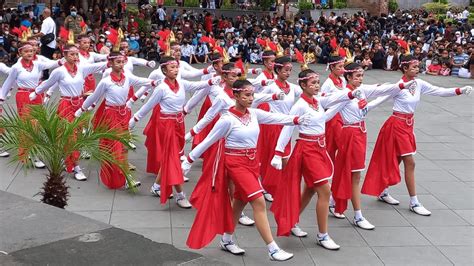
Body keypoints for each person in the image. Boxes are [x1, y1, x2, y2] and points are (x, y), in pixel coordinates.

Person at [181, 79, 311, 260]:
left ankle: (226, 239)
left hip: (252, 163)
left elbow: (275, 118)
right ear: (236, 96)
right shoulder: (227, 120)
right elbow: (208, 141)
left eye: (252, 95)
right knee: (259, 201)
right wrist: (188, 160)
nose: (251, 98)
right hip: (235, 164)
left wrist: (295, 119)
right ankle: (273, 249)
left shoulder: (254, 114)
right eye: (247, 95)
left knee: (240, 201)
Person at [361, 55, 472, 216]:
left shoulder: (419, 83)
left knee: (397, 159)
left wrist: (459, 90)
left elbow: (439, 91)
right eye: (413, 67)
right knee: (410, 162)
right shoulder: (398, 86)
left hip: (407, 125)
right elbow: (380, 98)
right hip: (396, 125)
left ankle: (383, 191)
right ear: (405, 69)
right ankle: (414, 202)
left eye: (417, 66)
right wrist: (365, 109)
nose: (417, 69)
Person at [270, 68, 357, 247]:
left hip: (319, 147)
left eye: (318, 82)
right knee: (325, 191)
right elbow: (287, 127)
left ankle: (292, 220)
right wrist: (278, 153)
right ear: (303, 85)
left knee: (310, 190)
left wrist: (348, 97)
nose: (317, 86)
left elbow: (326, 114)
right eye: (313, 83)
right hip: (307, 150)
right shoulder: (300, 105)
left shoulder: (317, 101)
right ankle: (323, 235)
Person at [330, 62, 414, 229]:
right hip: (350, 135)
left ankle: (335, 200)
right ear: (348, 77)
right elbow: (327, 111)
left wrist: (400, 86)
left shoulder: (361, 91)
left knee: (353, 173)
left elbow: (378, 92)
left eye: (362, 76)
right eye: (357, 76)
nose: (361, 79)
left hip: (360, 134)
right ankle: (357, 215)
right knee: (353, 174)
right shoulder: (343, 94)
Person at [129, 56, 221, 208]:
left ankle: (157, 186)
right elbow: (148, 106)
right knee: (172, 158)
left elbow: (196, 85)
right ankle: (179, 194)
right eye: (172, 68)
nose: (176, 70)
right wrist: (134, 120)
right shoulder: (161, 88)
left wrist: (211, 81)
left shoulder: (182, 83)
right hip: (166, 125)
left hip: (179, 123)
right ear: (164, 70)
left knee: (171, 157)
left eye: (177, 67)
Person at [74, 51, 158, 189]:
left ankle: (122, 176)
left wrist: (155, 82)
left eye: (122, 61)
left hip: (123, 114)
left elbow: (142, 81)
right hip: (111, 115)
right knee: (116, 147)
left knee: (123, 146)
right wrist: (80, 110)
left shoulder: (127, 78)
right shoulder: (106, 81)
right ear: (111, 63)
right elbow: (94, 97)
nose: (121, 64)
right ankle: (125, 177)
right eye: (117, 62)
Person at [30, 44, 108, 181]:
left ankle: (65, 158)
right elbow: (47, 83)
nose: (75, 57)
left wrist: (112, 59)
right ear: (64, 55)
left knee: (76, 135)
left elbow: (100, 66)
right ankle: (76, 166)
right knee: (70, 136)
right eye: (72, 54)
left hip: (79, 105)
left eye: (77, 54)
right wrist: (36, 92)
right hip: (66, 105)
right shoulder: (59, 71)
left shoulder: (82, 69)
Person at [0, 42, 62, 168]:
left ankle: (32, 150)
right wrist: (1, 98)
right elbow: (8, 83)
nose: (29, 53)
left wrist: (63, 59)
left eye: (31, 51)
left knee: (37, 124)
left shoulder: (37, 64)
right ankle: (28, 153)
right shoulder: (16, 68)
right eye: (26, 51)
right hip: (23, 96)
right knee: (27, 125)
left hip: (36, 95)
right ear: (20, 53)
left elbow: (51, 64)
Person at [258, 56, 302, 202]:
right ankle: (267, 186)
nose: (288, 73)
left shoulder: (293, 88)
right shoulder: (271, 86)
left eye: (290, 70)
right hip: (273, 126)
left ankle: (279, 186)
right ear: (277, 70)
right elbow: (258, 99)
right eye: (285, 70)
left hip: (287, 126)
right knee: (272, 157)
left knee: (285, 157)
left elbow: (309, 94)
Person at [35, 8, 56, 79]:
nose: (42, 15)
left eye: (43, 13)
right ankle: (46, 75)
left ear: (45, 13)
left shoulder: (46, 22)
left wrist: (32, 36)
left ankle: (45, 75)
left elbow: (42, 33)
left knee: (44, 60)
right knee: (48, 59)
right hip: (52, 43)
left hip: (46, 44)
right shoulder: (52, 21)